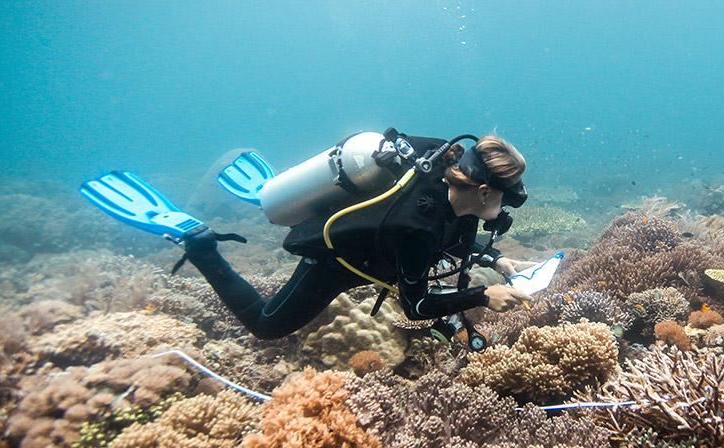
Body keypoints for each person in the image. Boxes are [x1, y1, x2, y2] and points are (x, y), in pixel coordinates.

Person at [81, 132, 536, 341]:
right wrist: (483, 296)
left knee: (280, 206)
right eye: (506, 197)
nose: (506, 208)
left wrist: (495, 260)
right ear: (482, 190)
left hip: (379, 241)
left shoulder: (445, 167)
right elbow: (416, 306)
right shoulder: (415, 226)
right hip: (339, 259)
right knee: (266, 326)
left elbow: (452, 238)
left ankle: (279, 194)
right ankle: (200, 244)